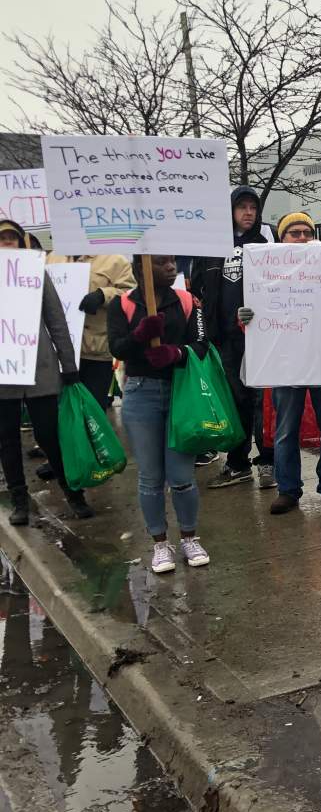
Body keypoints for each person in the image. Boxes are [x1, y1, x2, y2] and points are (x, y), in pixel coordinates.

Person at [238, 212, 321, 515]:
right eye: (295, 233)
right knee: (285, 429)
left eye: (307, 232)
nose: (302, 238)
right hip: (284, 362)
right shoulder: (265, 270)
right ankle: (288, 489)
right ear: (282, 239)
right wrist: (245, 319)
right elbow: (257, 316)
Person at [106, 255, 210, 574]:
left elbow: (202, 344)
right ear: (141, 270)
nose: (170, 267)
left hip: (181, 393)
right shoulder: (121, 305)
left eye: (171, 262)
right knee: (151, 477)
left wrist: (176, 352)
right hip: (141, 393)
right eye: (160, 262)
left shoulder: (187, 301)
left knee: (181, 476)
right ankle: (160, 544)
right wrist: (140, 335)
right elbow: (117, 348)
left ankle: (190, 538)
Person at [0, 220, 94, 524]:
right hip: (4, 374)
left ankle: (72, 492)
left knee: (50, 435)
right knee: (7, 440)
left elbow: (57, 321)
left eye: (11, 238)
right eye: (1, 239)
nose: (6, 244)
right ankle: (19, 500)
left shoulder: (35, 272)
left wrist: (69, 365)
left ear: (21, 242)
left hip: (40, 370)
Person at [194, 186, 277, 490]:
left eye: (252, 208)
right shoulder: (214, 247)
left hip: (259, 337)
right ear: (230, 211)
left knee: (261, 403)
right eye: (241, 207)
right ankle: (238, 463)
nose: (248, 213)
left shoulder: (265, 244)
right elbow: (199, 291)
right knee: (235, 401)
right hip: (225, 339)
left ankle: (268, 462)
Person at [44, 247, 135, 409]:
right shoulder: (52, 258)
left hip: (96, 352)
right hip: (59, 353)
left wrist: (103, 295)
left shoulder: (115, 259)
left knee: (92, 413)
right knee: (63, 414)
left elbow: (131, 293)